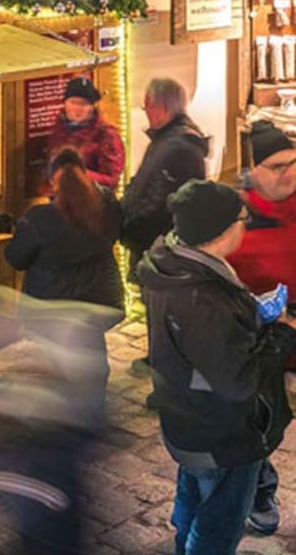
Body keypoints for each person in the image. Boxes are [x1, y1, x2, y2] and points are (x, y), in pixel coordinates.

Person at [138, 180, 296, 555]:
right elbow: (240, 382)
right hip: (222, 434)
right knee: (218, 526)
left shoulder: (174, 269)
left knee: (193, 495)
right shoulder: (201, 296)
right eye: (242, 219)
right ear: (220, 232)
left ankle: (183, 543)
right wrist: (283, 336)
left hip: (188, 419)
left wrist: (250, 315)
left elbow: (204, 347)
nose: (246, 224)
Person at [5, 148, 124, 418]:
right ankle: (92, 405)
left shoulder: (40, 219)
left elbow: (16, 258)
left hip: (54, 305)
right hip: (98, 299)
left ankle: (69, 412)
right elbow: (115, 233)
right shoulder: (107, 207)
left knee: (62, 359)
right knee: (92, 352)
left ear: (53, 182)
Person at [225, 120, 296, 536]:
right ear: (254, 170)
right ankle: (260, 492)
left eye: (292, 162)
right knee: (258, 429)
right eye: (275, 166)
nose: (287, 173)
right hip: (262, 345)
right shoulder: (237, 217)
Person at [122, 78, 209, 276]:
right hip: (153, 247)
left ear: (165, 106)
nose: (145, 110)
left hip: (161, 252)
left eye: (149, 105)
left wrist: (131, 230)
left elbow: (162, 203)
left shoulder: (179, 148)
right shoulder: (164, 141)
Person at [47, 76, 126, 189]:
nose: (77, 108)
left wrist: (77, 175)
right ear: (65, 104)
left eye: (84, 104)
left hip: (91, 201)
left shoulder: (106, 134)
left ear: (92, 107)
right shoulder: (59, 129)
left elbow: (111, 179)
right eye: (73, 102)